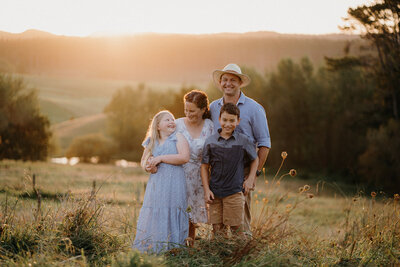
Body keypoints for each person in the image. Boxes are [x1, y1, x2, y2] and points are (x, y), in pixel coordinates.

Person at [209, 63, 271, 235]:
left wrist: (253, 175)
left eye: (233, 80)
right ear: (220, 82)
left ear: (240, 83)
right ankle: (219, 255)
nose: (228, 83)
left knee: (241, 223)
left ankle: (242, 255)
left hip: (242, 171)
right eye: (225, 80)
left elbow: (264, 143)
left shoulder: (254, 108)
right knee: (218, 223)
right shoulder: (213, 107)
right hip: (218, 172)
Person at [132, 110, 190, 254]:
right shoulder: (152, 141)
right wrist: (149, 167)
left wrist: (161, 158)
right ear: (157, 126)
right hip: (157, 183)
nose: (172, 122)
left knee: (173, 208)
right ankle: (153, 247)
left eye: (173, 119)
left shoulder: (178, 137)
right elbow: (144, 162)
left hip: (175, 183)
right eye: (167, 120)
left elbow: (184, 157)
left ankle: (174, 247)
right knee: (156, 210)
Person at [201, 103, 258, 238]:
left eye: (232, 120)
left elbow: (255, 160)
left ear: (238, 121)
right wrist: (206, 190)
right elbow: (204, 166)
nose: (228, 124)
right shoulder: (210, 141)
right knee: (217, 231)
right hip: (215, 193)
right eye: (225, 120)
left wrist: (250, 179)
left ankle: (239, 257)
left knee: (237, 230)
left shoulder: (243, 141)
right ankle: (220, 258)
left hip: (234, 192)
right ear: (219, 119)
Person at [175, 90, 214, 245]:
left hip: (201, 175)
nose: (188, 114)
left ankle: (189, 245)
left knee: (194, 214)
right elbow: (157, 140)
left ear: (203, 110)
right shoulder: (177, 124)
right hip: (179, 173)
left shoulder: (210, 126)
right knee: (180, 210)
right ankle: (175, 244)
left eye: (192, 111)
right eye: (186, 110)